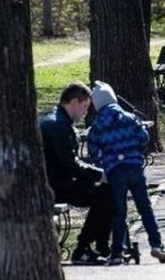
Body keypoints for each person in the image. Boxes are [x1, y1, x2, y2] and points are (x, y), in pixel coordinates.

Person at [87, 81, 165, 265]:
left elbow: (92, 150)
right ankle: (157, 245)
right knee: (145, 208)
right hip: (135, 167)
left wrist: (102, 163)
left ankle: (118, 252)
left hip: (114, 171)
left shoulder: (97, 125)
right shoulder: (129, 118)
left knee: (119, 211)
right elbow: (144, 138)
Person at [38, 82, 113, 265]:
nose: (86, 112)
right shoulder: (60, 126)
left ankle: (99, 246)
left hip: (46, 181)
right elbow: (71, 165)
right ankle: (84, 248)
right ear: (74, 103)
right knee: (106, 193)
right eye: (85, 106)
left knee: (104, 191)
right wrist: (102, 174)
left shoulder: (51, 117)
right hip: (51, 185)